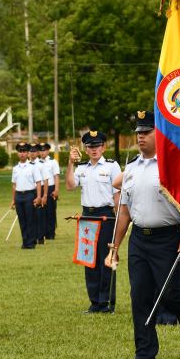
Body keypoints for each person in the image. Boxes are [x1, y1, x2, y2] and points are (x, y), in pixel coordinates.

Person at [107, 110, 180, 359]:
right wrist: (115, 246)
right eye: (138, 133)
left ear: (158, 135)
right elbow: (124, 211)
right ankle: (144, 355)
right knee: (140, 296)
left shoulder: (172, 166)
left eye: (146, 132)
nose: (141, 137)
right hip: (139, 240)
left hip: (167, 238)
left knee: (172, 296)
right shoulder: (131, 169)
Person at [66, 131, 121, 314]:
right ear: (85, 149)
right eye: (90, 146)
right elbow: (70, 186)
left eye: (97, 145)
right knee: (88, 260)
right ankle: (95, 302)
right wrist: (70, 162)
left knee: (106, 260)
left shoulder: (112, 166)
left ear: (104, 147)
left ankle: (107, 303)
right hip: (86, 216)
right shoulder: (82, 168)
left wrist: (120, 218)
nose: (94, 149)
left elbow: (117, 194)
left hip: (106, 215)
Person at [10, 142, 41, 249]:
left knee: (30, 220)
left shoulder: (33, 167)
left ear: (28, 153)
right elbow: (14, 184)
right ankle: (25, 242)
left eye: (24, 151)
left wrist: (39, 197)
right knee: (22, 221)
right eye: (20, 152)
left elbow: (38, 182)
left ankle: (31, 243)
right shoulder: (15, 168)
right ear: (18, 153)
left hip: (29, 195)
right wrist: (13, 199)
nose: (22, 154)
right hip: (19, 196)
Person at [30, 143, 50, 245]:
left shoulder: (41, 165)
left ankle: (41, 238)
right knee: (31, 217)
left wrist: (44, 195)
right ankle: (32, 237)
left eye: (34, 151)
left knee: (39, 216)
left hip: (39, 190)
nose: (32, 153)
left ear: (38, 152)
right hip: (29, 191)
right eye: (31, 151)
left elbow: (46, 181)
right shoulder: (26, 164)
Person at [39, 142, 60, 240]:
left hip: (50, 188)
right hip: (40, 188)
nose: (42, 153)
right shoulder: (37, 162)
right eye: (41, 150)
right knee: (41, 212)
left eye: (44, 150)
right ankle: (43, 232)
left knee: (50, 211)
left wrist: (56, 190)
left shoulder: (53, 162)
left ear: (48, 151)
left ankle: (51, 233)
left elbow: (56, 177)